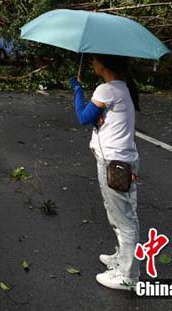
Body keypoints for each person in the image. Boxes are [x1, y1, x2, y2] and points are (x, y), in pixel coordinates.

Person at [69, 54, 141, 292]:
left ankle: (128, 275)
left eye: (95, 60)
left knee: (124, 219)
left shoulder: (106, 89)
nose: (92, 63)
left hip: (115, 162)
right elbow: (102, 120)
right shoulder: (122, 88)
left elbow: (82, 117)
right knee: (118, 214)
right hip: (120, 159)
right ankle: (122, 258)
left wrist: (77, 90)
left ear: (104, 65)